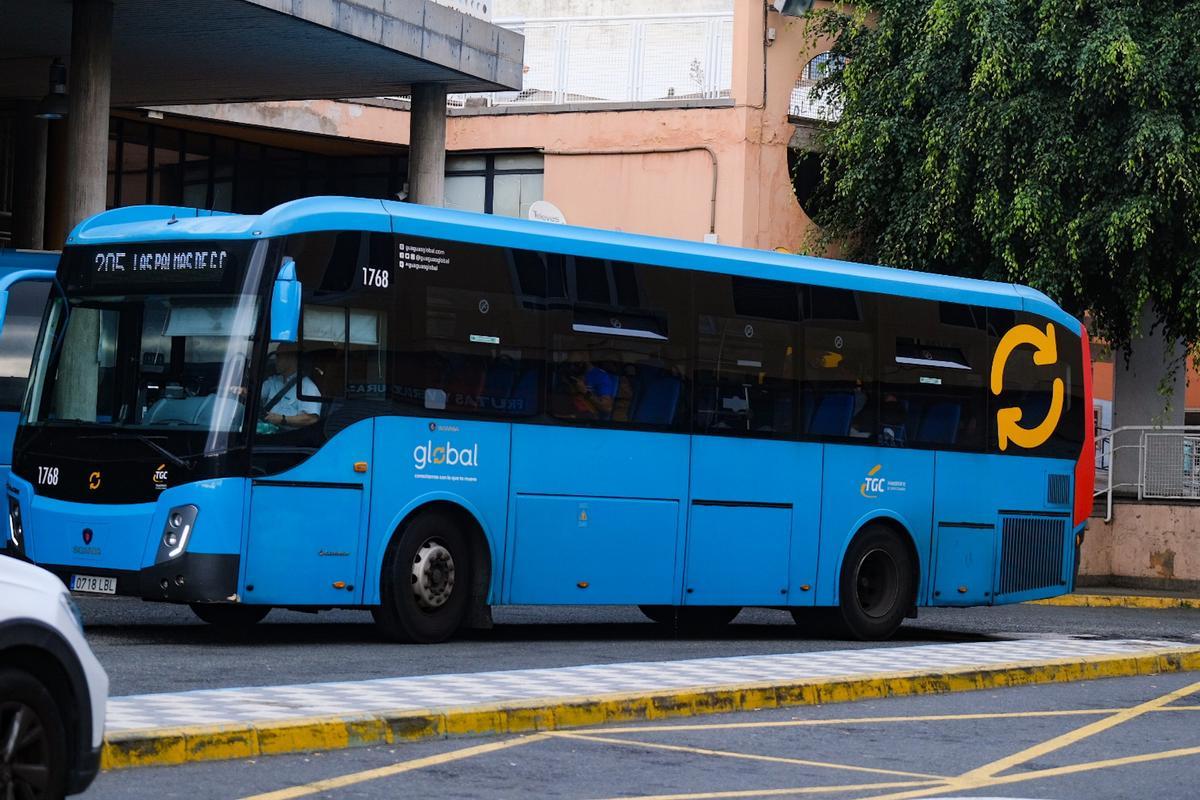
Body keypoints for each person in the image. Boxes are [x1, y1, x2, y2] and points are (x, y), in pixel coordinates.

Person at [259, 342, 321, 430]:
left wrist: (283, 419)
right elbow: (256, 395)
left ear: (291, 358)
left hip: (289, 438)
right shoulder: (274, 380)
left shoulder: (308, 387)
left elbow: (312, 419)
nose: (275, 361)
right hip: (268, 430)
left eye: (278, 357)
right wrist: (243, 391)